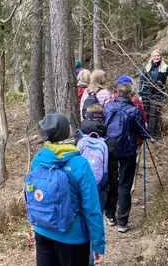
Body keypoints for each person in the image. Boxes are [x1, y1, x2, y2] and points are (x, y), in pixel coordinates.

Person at [27, 114, 105, 266]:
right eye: (68, 125)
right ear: (64, 132)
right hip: (73, 238)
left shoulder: (39, 158)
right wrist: (98, 243)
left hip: (43, 230)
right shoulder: (80, 163)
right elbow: (91, 208)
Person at [103, 83, 150, 233]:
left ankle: (110, 215)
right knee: (125, 184)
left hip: (110, 148)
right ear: (130, 95)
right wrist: (146, 135)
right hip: (127, 151)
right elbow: (142, 131)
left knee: (111, 181)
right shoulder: (133, 111)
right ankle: (122, 221)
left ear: (117, 93)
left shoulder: (108, 107)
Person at [74, 105, 117, 266]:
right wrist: (112, 206)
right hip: (99, 189)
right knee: (94, 222)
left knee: (78, 224)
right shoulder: (109, 142)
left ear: (86, 116)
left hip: (77, 189)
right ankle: (91, 260)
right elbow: (113, 175)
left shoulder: (77, 137)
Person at [112, 76, 147, 199]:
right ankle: (128, 193)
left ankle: (114, 196)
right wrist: (144, 134)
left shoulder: (110, 103)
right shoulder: (135, 102)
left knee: (115, 169)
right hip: (131, 143)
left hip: (112, 143)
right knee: (129, 171)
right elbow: (142, 122)